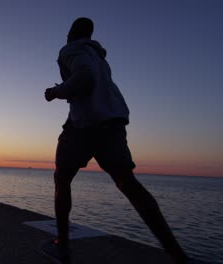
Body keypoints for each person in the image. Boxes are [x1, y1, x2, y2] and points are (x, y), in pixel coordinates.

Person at [42, 17, 188, 264]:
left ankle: (63, 246)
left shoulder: (71, 49)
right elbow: (91, 83)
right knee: (128, 183)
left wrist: (56, 92)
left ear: (71, 33)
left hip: (85, 125)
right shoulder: (99, 56)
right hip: (114, 120)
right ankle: (178, 256)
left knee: (62, 177)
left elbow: (84, 78)